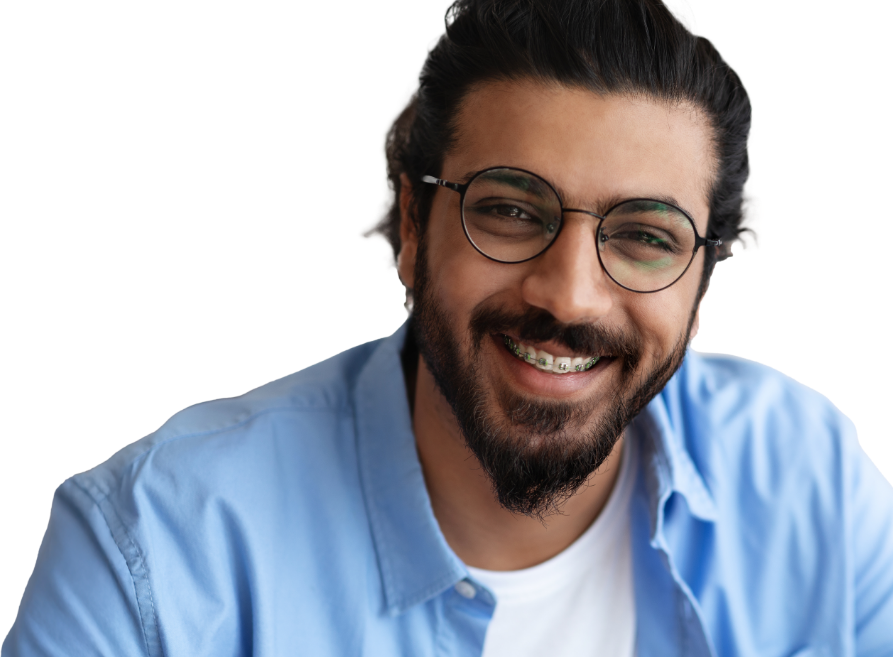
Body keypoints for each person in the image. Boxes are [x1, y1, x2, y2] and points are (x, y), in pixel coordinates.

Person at [3, 1, 890, 655]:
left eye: (645, 236)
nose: (571, 296)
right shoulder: (151, 542)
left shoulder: (815, 481)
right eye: (508, 210)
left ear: (701, 279)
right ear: (411, 228)